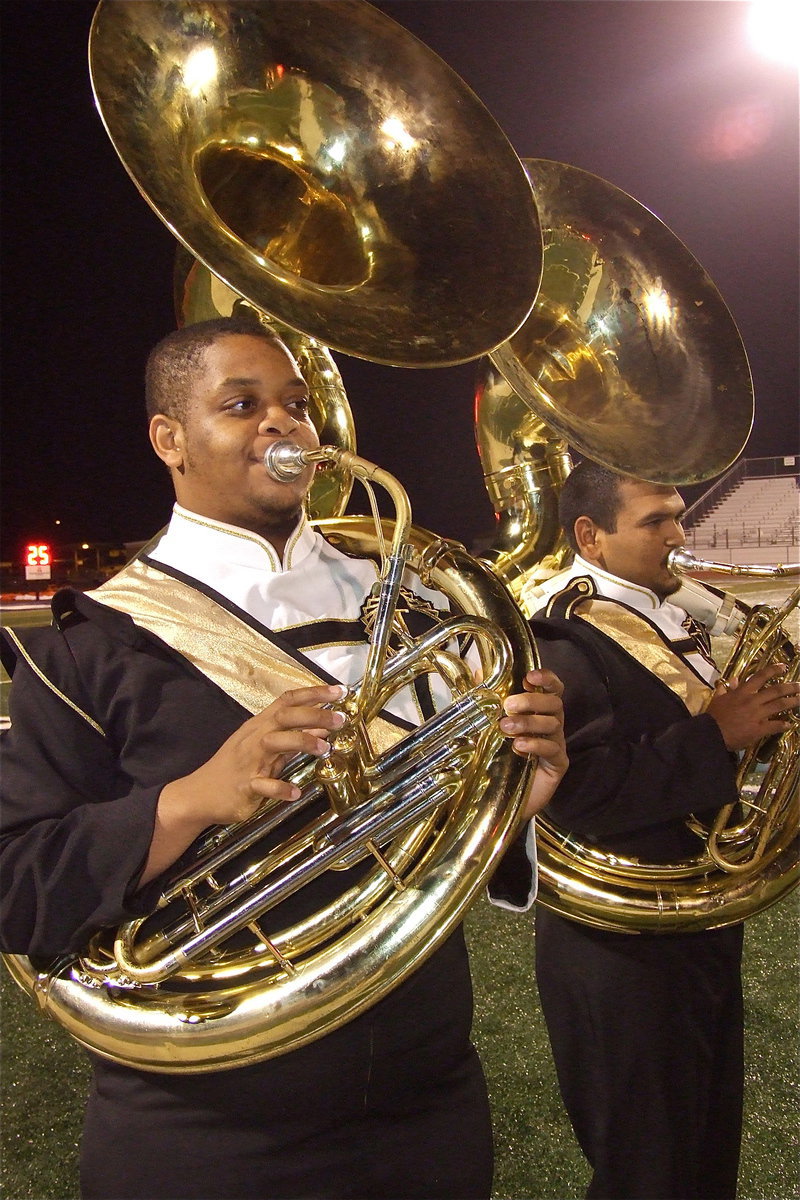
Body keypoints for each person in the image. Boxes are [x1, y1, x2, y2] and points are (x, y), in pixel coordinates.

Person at [0, 314, 567, 1200]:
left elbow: (433, 831)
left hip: (429, 1095)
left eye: (296, 405)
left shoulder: (410, 604)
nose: (284, 423)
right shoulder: (93, 642)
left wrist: (512, 796)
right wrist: (188, 800)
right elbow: (16, 883)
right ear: (170, 440)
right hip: (209, 1129)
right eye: (242, 404)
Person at [526, 458, 800, 1200]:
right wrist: (719, 736)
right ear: (591, 535)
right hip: (623, 953)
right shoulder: (564, 638)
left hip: (695, 922)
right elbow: (575, 794)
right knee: (647, 1171)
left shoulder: (669, 613)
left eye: (678, 515)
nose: (679, 533)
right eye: (655, 520)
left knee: (704, 1153)